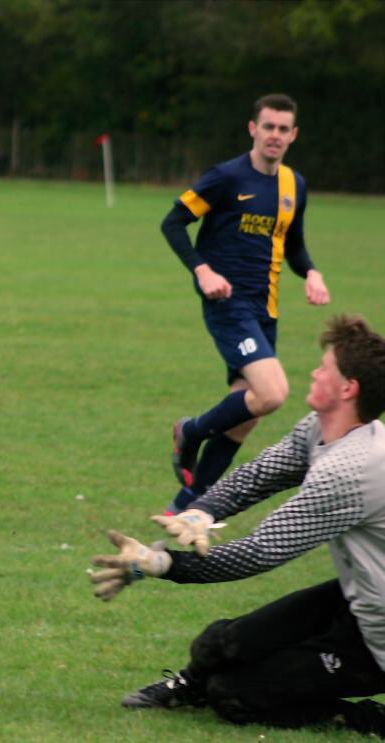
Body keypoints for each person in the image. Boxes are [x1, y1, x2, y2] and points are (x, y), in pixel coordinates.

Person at [89, 314, 385, 736]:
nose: (315, 372)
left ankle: (364, 719)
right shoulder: (322, 429)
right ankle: (187, 688)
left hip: (378, 636)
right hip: (357, 596)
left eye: (325, 368)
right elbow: (258, 476)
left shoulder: (351, 471)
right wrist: (201, 512)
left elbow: (259, 552)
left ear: (347, 389)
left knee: (235, 694)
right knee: (218, 644)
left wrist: (159, 565)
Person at [161, 93, 331, 515]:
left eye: (283, 129)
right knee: (272, 393)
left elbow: (293, 244)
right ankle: (190, 431)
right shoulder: (225, 178)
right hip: (227, 304)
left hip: (265, 310)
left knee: (246, 416)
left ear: (293, 135)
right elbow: (174, 222)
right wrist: (202, 270)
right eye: (267, 126)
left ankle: (186, 506)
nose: (275, 135)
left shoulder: (294, 186)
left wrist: (311, 271)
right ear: (253, 129)